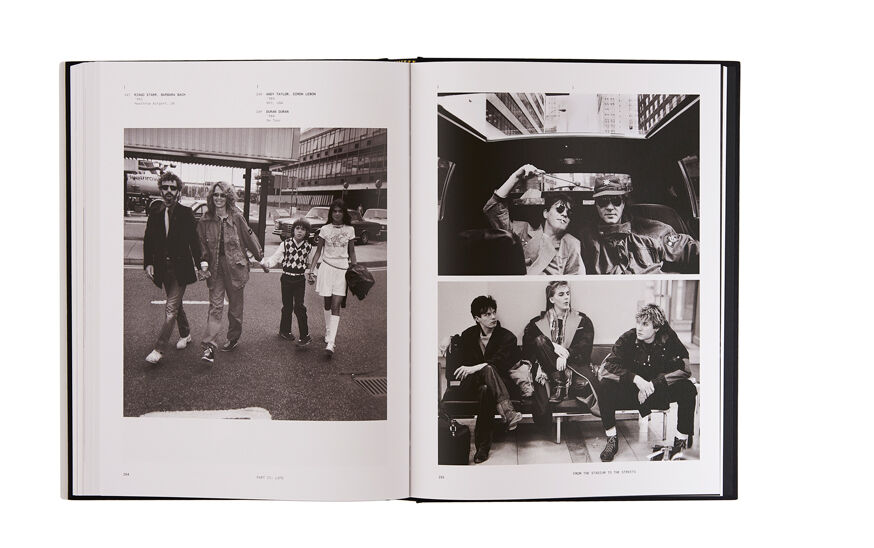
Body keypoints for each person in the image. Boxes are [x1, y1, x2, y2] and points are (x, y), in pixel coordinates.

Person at [597, 304, 698, 462]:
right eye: (638, 323)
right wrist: (636, 380)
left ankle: (681, 441)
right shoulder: (628, 338)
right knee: (605, 386)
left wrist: (653, 384)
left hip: (657, 391)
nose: (639, 328)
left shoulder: (669, 339)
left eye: (645, 324)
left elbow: (685, 369)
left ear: (656, 327)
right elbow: (605, 370)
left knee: (688, 389)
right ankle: (611, 439)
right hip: (630, 392)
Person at [197, 181, 266, 364]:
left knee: (235, 309)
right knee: (216, 306)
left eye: (222, 195)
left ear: (228, 197)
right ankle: (209, 347)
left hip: (235, 267)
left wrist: (261, 258)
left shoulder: (236, 216)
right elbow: (201, 244)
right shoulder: (206, 219)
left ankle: (234, 336)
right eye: (216, 195)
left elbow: (249, 237)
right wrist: (203, 260)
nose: (218, 198)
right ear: (211, 197)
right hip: (215, 268)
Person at [142, 172, 208, 364]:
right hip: (163, 269)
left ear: (178, 191)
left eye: (173, 188)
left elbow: (194, 243)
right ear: (160, 190)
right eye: (165, 187)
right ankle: (186, 334)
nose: (169, 191)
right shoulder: (155, 213)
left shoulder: (186, 213)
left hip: (181, 269)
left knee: (170, 308)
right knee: (176, 305)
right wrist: (148, 263)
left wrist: (201, 264)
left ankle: (159, 349)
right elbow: (148, 241)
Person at [449, 296, 523, 464]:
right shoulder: (467, 336)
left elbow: (498, 364)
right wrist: (449, 341)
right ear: (477, 318)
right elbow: (456, 367)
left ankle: (483, 447)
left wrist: (475, 367)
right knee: (483, 383)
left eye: (494, 312)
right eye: (487, 314)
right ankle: (508, 412)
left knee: (486, 388)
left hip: (499, 384)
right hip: (471, 385)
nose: (493, 317)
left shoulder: (507, 338)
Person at [580, 178, 699, 274]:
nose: (610, 207)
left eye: (616, 200)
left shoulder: (653, 232)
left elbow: (691, 250)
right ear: (596, 206)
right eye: (603, 201)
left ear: (623, 203)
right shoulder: (584, 239)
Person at [483, 164, 584, 275]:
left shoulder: (571, 244)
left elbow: (576, 280)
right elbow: (494, 209)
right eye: (560, 209)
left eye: (569, 213)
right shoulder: (522, 230)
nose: (565, 214)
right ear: (546, 213)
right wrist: (516, 177)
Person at [523, 281, 594, 410]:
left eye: (568, 293)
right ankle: (558, 381)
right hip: (547, 370)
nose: (566, 297)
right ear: (551, 299)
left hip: (573, 366)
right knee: (540, 341)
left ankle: (562, 384)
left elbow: (585, 346)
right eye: (561, 294)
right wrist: (554, 347)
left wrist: (566, 354)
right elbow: (529, 348)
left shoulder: (582, 321)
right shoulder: (536, 323)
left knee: (581, 386)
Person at [307, 199, 357, 357]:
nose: (337, 214)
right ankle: (328, 331)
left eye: (340, 211)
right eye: (334, 211)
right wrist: (311, 269)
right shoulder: (324, 229)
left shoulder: (350, 230)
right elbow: (318, 252)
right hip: (327, 269)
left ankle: (331, 342)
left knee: (336, 305)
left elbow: (352, 253)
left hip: (342, 271)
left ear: (344, 213)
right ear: (331, 213)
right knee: (327, 302)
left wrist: (355, 269)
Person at [260, 218, 314, 346]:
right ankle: (284, 331)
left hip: (299, 279)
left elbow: (311, 263)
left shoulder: (308, 246)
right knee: (287, 306)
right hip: (286, 279)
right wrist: (267, 264)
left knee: (299, 306)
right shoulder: (285, 244)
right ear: (293, 230)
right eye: (297, 228)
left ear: (307, 232)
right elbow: (275, 258)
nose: (300, 231)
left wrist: (312, 274)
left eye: (303, 229)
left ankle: (305, 336)